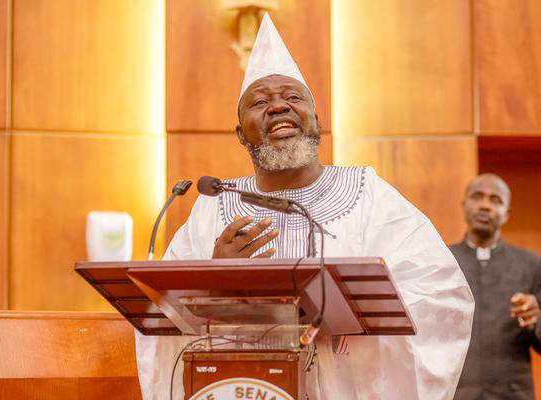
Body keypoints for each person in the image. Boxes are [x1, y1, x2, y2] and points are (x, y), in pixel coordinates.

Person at [136, 13, 474, 399]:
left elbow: (441, 295)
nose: (279, 107)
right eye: (260, 102)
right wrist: (213, 279)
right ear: (240, 133)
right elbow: (158, 318)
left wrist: (349, 314)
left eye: (293, 98)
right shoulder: (214, 208)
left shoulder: (369, 195)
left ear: (316, 120)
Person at [451, 173, 541, 399]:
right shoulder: (443, 261)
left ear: (507, 213)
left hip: (513, 394)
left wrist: (536, 319)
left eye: (495, 200)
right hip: (455, 393)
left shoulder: (531, 264)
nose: (484, 206)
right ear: (464, 205)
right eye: (477, 197)